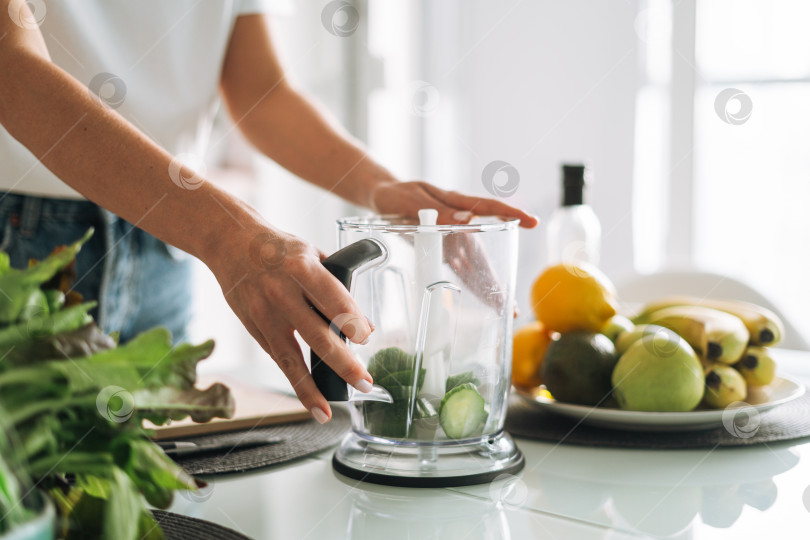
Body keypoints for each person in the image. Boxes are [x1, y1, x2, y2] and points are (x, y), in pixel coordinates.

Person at [0, 1, 537, 423]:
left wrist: (384, 188)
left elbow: (261, 90)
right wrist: (228, 234)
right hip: (24, 240)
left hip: (164, 243)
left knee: (141, 496)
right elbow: (12, 72)